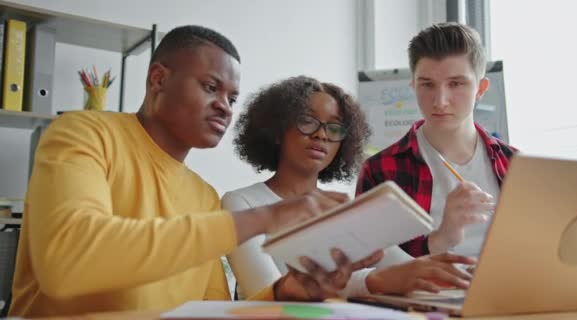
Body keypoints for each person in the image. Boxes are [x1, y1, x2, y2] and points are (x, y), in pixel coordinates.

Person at [9, 26, 377, 318]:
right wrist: (265, 217)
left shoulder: (204, 195)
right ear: (158, 79)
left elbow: (212, 307)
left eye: (232, 98)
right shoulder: (83, 133)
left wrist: (284, 294)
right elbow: (68, 263)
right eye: (211, 87)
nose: (225, 108)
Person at [223, 76, 475, 301]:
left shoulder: (343, 210)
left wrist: (466, 271)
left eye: (334, 128)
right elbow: (266, 290)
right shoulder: (240, 203)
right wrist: (375, 281)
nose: (321, 135)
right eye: (307, 121)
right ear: (277, 130)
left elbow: (407, 267)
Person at [357, 23, 518, 258]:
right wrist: (442, 237)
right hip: (421, 295)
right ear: (413, 85)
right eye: (427, 84)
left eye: (456, 84)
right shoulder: (379, 171)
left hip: (506, 293)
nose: (440, 101)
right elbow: (368, 265)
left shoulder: (515, 164)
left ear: (481, 89)